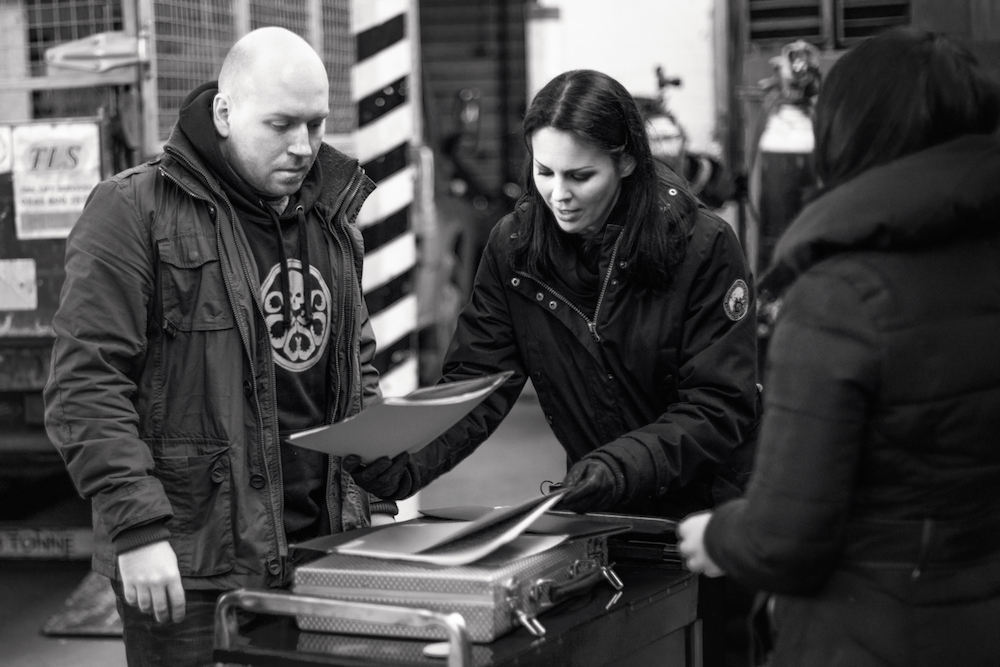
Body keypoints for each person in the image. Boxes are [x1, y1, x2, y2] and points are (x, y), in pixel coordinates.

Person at [347, 69, 760, 664]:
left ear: (625, 163)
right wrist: (402, 460)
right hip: (601, 516)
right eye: (544, 172)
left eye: (580, 175)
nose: (558, 193)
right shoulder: (515, 250)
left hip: (708, 519)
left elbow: (719, 406)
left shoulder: (703, 246)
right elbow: (475, 385)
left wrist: (618, 464)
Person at [43, 27, 389, 667]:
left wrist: (375, 489)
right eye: (281, 124)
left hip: (322, 544)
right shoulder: (133, 209)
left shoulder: (327, 216)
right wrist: (138, 529)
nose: (304, 147)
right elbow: (85, 385)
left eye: (316, 125)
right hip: (194, 561)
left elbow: (353, 362)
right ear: (225, 112)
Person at [677, 27, 1000, 667]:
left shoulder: (837, 299)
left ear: (848, 134)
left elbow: (785, 539)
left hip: (870, 638)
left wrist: (715, 535)